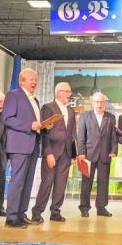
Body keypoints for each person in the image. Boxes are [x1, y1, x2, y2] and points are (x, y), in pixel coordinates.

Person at [3, 68, 47, 228]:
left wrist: (43, 125)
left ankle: (21, 213)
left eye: (36, 80)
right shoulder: (13, 95)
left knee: (28, 182)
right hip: (19, 145)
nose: (34, 82)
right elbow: (7, 119)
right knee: (18, 181)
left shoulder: (35, 100)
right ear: (22, 81)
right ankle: (11, 217)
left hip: (33, 145)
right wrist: (30, 125)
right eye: (31, 80)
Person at [31, 82, 77, 223]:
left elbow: (72, 134)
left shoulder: (70, 110)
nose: (70, 94)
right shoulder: (48, 107)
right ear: (58, 92)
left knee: (61, 184)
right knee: (47, 183)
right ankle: (37, 213)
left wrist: (74, 154)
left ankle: (55, 212)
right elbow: (44, 132)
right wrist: (48, 153)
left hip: (66, 153)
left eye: (70, 91)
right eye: (67, 91)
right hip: (52, 152)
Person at [77, 92, 118, 217]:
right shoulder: (84, 116)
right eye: (97, 102)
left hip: (105, 156)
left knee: (103, 183)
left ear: (105, 103)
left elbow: (113, 137)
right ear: (92, 103)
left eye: (101, 102)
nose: (99, 104)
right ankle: (84, 207)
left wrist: (113, 150)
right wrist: (81, 153)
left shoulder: (110, 117)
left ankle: (101, 208)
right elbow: (81, 137)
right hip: (87, 156)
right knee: (86, 183)